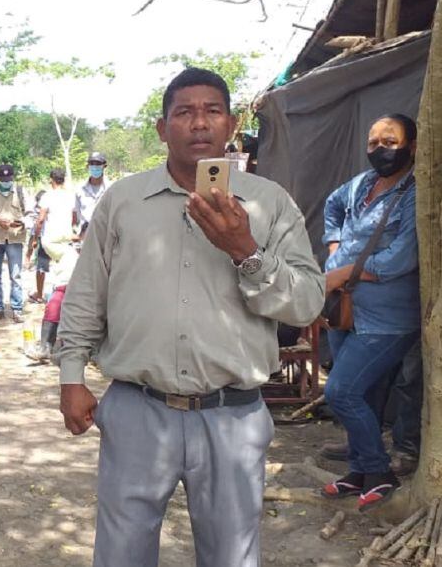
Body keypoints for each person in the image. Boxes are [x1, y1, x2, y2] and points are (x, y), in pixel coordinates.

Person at [57, 67, 325, 566]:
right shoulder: (123, 201)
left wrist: (245, 250)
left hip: (233, 415)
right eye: (184, 112)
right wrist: (71, 376)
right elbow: (87, 294)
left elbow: (308, 303)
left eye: (212, 111)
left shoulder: (268, 203)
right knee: (121, 553)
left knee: (231, 556)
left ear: (231, 125)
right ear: (163, 129)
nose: (199, 123)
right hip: (137, 409)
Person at [319, 113, 421, 510]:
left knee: (341, 391)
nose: (380, 150)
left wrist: (347, 271)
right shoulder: (361, 184)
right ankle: (359, 472)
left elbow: (402, 258)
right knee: (365, 394)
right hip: (344, 310)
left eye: (390, 142)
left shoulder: (414, 192)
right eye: (373, 142)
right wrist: (334, 247)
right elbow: (332, 206)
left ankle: (381, 471)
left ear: (411, 146)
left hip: (387, 319)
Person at [0, 164, 32, 324]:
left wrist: (20, 223)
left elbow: (31, 215)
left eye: (8, 179)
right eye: (3, 179)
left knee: (15, 275)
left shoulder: (21, 193)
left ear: (12, 178)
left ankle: (17, 309)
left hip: (15, 239)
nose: (6, 181)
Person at [25, 190, 49, 304]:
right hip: (55, 236)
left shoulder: (41, 209)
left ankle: (39, 295)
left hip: (44, 236)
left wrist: (35, 238)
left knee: (41, 267)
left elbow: (39, 223)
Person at [75, 151, 110, 227]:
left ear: (104, 166)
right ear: (87, 166)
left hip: (105, 231)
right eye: (92, 164)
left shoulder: (111, 188)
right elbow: (76, 212)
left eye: (98, 164)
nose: (95, 166)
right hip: (85, 231)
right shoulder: (80, 189)